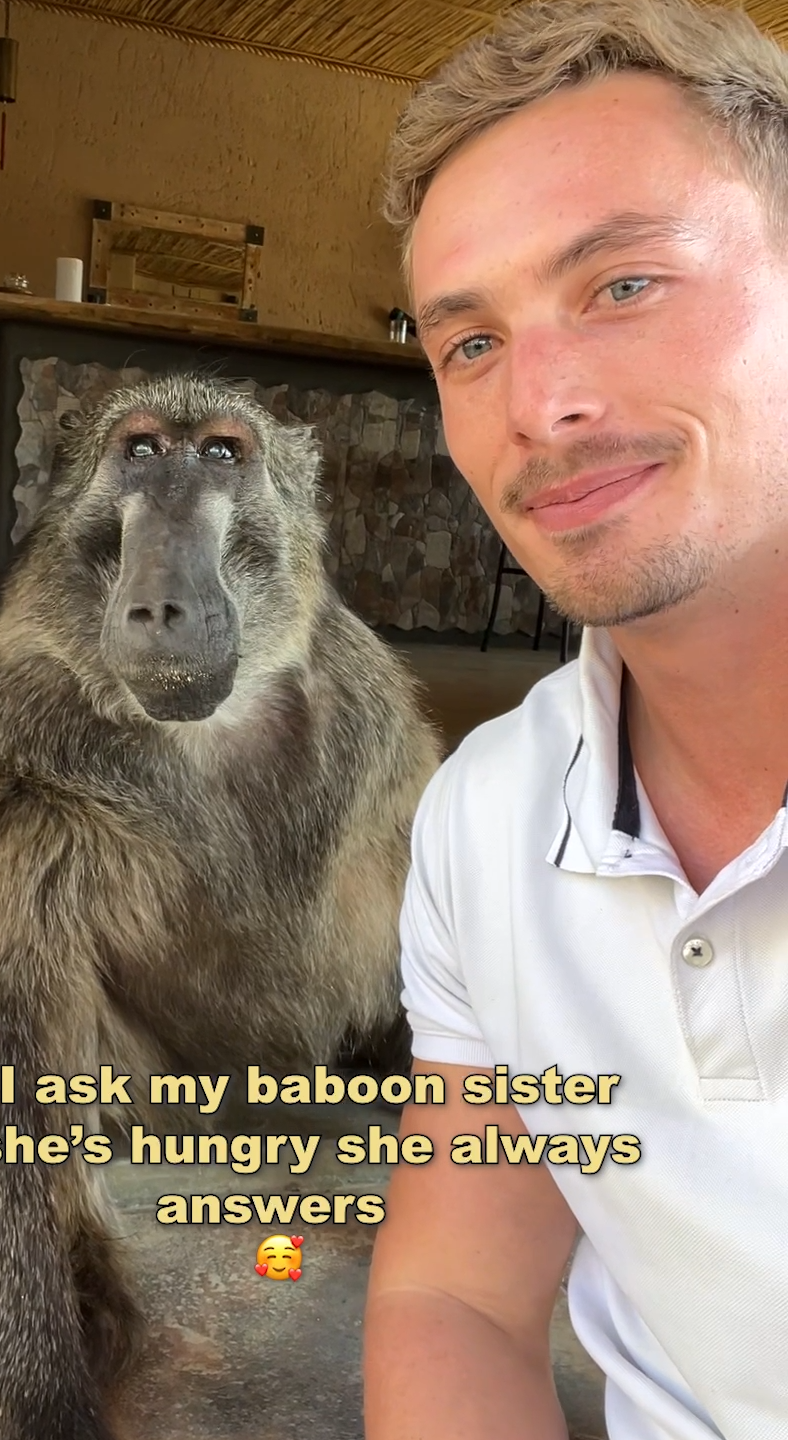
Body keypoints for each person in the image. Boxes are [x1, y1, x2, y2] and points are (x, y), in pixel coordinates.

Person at [362, 0, 788, 1436]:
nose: (538, 407)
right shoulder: (487, 817)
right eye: (468, 344)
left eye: (622, 286)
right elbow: (457, 1298)